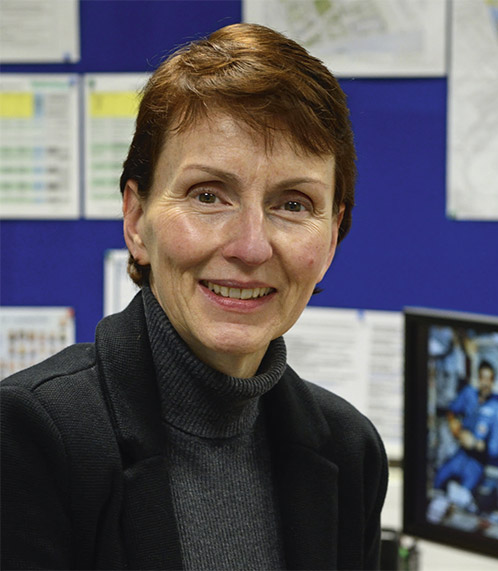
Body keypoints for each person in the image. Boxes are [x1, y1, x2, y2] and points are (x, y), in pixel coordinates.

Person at [0, 23, 388, 570]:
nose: (251, 246)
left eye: (293, 204)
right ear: (136, 222)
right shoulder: (31, 437)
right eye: (208, 195)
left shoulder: (350, 451)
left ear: (330, 238)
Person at [433, 360, 498, 512]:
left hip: (476, 462)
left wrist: (476, 444)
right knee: (439, 479)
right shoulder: (468, 393)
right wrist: (456, 429)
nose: (485, 383)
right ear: (478, 378)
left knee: (462, 498)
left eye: (489, 379)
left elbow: (495, 450)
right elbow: (451, 412)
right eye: (482, 378)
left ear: (493, 381)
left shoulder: (497, 409)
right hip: (460, 454)